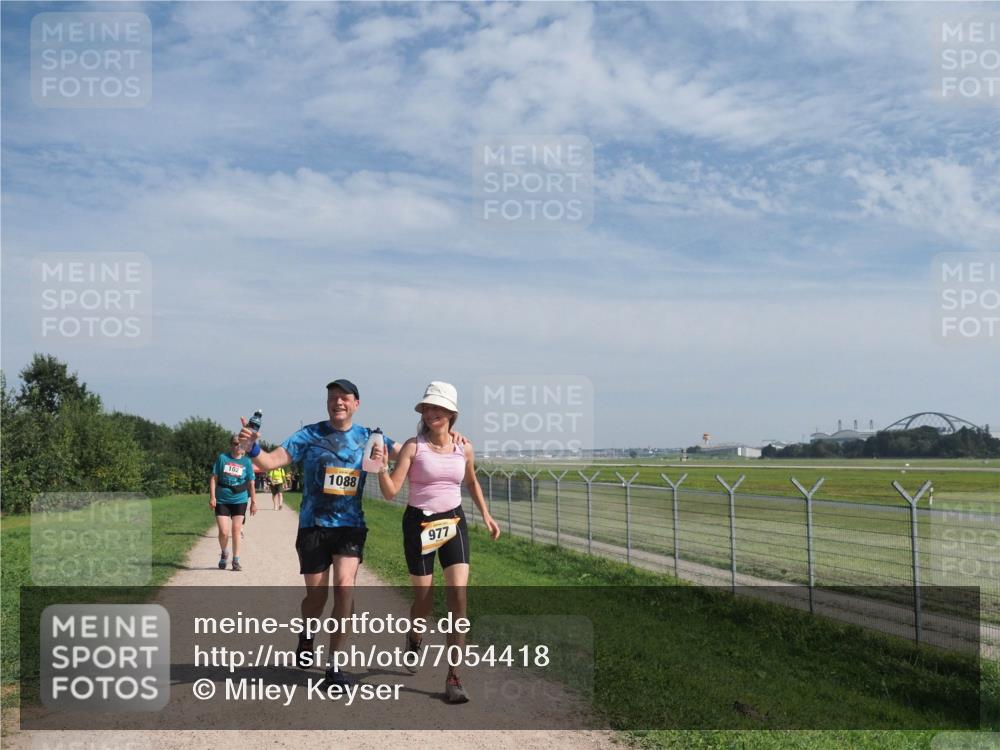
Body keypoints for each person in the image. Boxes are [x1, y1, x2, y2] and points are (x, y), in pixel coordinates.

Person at [237, 379, 399, 689]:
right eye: (333, 398)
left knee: (345, 588)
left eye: (345, 398)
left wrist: (443, 434)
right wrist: (252, 447)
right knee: (316, 596)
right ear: (328, 403)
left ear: (356, 404)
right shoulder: (310, 435)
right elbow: (270, 462)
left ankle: (335, 665)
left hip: (350, 526)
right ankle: (307, 634)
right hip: (313, 526)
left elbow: (409, 451)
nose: (338, 402)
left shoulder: (370, 437)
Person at [375, 381, 501, 704]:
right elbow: (391, 492)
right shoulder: (413, 447)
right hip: (419, 523)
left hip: (453, 522)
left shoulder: (464, 447)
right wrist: (380, 469)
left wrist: (486, 515)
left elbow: (471, 481)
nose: (432, 413)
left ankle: (454, 677)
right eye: (428, 407)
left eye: (439, 408)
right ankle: (415, 635)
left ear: (451, 414)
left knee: (458, 597)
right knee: (425, 601)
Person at [209, 435, 258, 571]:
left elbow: (251, 483)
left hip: (240, 499)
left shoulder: (247, 462)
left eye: (241, 444)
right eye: (235, 444)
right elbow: (214, 478)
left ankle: (236, 560)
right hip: (222, 499)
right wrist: (212, 497)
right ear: (231, 444)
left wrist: (253, 501)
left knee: (236, 529)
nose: (238, 446)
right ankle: (224, 553)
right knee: (223, 532)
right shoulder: (222, 458)